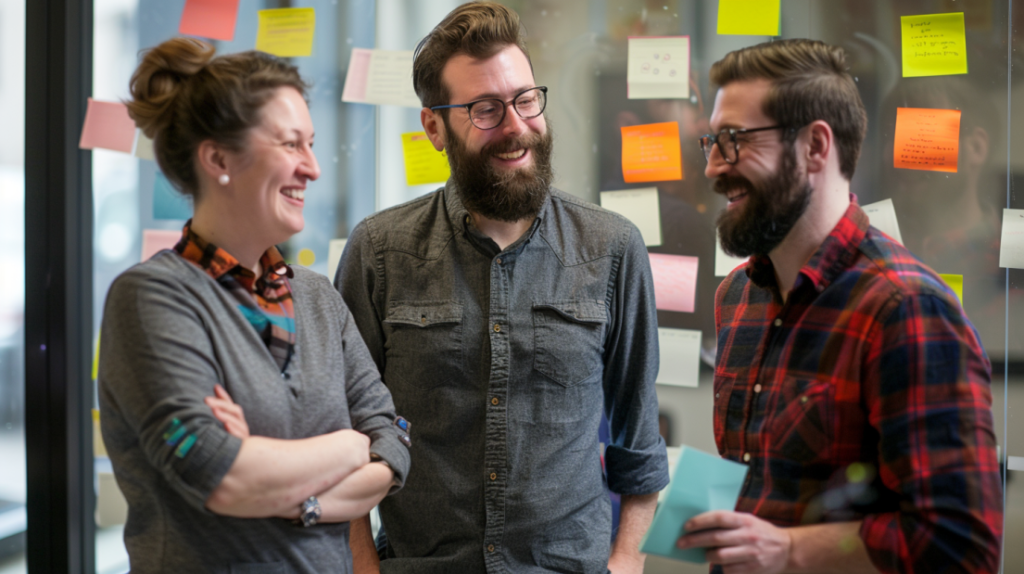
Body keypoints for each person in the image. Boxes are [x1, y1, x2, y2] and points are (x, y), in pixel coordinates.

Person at [335, 3, 669, 573]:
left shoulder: (613, 248)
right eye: (486, 109)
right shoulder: (378, 252)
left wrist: (626, 560)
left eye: (524, 99)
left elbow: (639, 442)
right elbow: (341, 435)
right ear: (435, 127)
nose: (516, 126)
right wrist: (360, 565)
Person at [676, 39, 1003, 573]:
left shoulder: (906, 308)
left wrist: (788, 551)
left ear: (815, 147)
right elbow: (764, 480)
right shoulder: (737, 296)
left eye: (734, 141)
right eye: (712, 141)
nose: (713, 168)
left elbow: (960, 546)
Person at [98, 37, 410, 573]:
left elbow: (396, 444)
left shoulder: (317, 300)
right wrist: (349, 446)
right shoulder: (150, 299)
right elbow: (219, 473)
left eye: (312, 144)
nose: (312, 168)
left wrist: (295, 493)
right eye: (291, 144)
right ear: (218, 158)